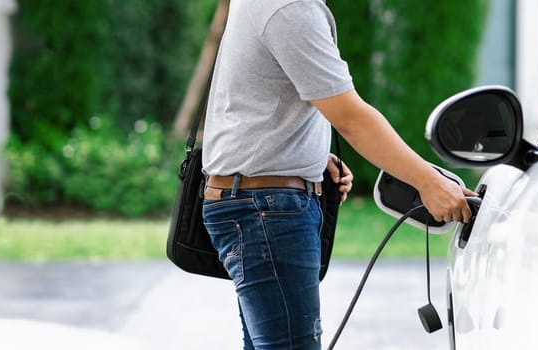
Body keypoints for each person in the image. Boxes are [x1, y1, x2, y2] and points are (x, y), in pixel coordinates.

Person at [200, 1, 475, 349]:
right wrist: (429, 183)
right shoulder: (290, 8)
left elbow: (253, 97)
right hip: (266, 209)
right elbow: (350, 117)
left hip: (259, 201)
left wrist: (308, 156)